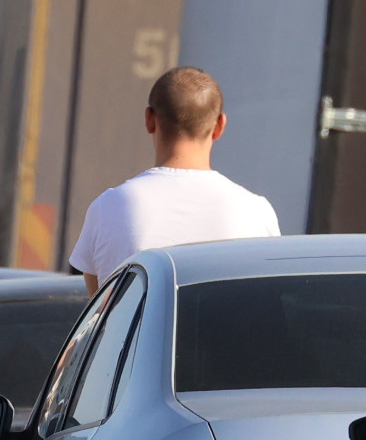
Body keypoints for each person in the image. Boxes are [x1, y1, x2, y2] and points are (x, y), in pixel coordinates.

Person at [67, 66, 279, 292]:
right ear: (219, 126)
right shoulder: (256, 211)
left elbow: (99, 310)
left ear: (150, 119)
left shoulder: (108, 207)